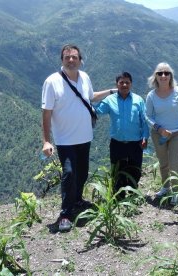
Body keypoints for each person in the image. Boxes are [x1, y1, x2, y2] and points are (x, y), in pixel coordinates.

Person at [41, 44, 113, 232]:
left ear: (80, 60)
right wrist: (46, 141)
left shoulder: (85, 77)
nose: (71, 60)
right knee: (69, 173)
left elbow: (90, 97)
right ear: (62, 60)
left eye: (74, 57)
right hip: (64, 139)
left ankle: (78, 200)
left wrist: (111, 91)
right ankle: (65, 213)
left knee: (82, 172)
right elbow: (46, 113)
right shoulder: (52, 82)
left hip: (84, 136)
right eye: (67, 57)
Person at [95, 72, 149, 199]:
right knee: (117, 170)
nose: (124, 85)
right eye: (121, 82)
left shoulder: (138, 100)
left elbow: (144, 120)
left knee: (135, 169)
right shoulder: (110, 100)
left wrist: (145, 137)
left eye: (127, 82)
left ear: (131, 84)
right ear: (116, 84)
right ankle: (119, 197)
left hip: (135, 143)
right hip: (117, 143)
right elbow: (96, 111)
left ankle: (133, 194)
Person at [145, 62, 178, 205]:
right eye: (160, 73)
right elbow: (148, 116)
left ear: (171, 76)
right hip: (159, 134)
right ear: (155, 76)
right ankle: (166, 187)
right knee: (163, 163)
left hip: (177, 133)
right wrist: (159, 129)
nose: (163, 75)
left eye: (166, 73)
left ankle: (176, 190)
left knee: (174, 163)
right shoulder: (151, 95)